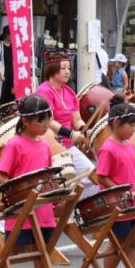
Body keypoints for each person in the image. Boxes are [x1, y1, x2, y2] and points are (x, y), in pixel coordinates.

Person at [0, 94, 61, 268]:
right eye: (41, 120)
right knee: (9, 255)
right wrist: (19, 190)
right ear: (26, 121)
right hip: (21, 210)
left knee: (42, 254)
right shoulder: (14, 144)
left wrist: (54, 193)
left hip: (42, 210)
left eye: (47, 119)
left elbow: (46, 176)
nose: (46, 124)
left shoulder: (46, 146)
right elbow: (0, 176)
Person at [93, 102, 135, 268]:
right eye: (130, 125)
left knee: (129, 243)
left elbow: (132, 175)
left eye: (134, 125)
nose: (133, 129)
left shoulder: (130, 146)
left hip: (132, 203)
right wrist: (119, 191)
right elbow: (102, 177)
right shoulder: (108, 148)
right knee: (118, 243)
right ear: (116, 123)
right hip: (115, 204)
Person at [35, 54, 98, 198]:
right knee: (57, 188)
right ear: (52, 69)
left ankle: (87, 213)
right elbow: (49, 122)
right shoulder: (44, 91)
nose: (67, 71)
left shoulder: (69, 92)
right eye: (63, 68)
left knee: (92, 178)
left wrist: (85, 131)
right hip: (52, 147)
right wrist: (71, 134)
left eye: (69, 68)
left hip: (68, 146)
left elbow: (76, 119)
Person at [0, 26, 12, 105]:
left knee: (10, 96)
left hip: (11, 74)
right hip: (2, 74)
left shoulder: (13, 46)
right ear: (6, 35)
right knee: (1, 96)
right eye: (10, 34)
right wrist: (0, 74)